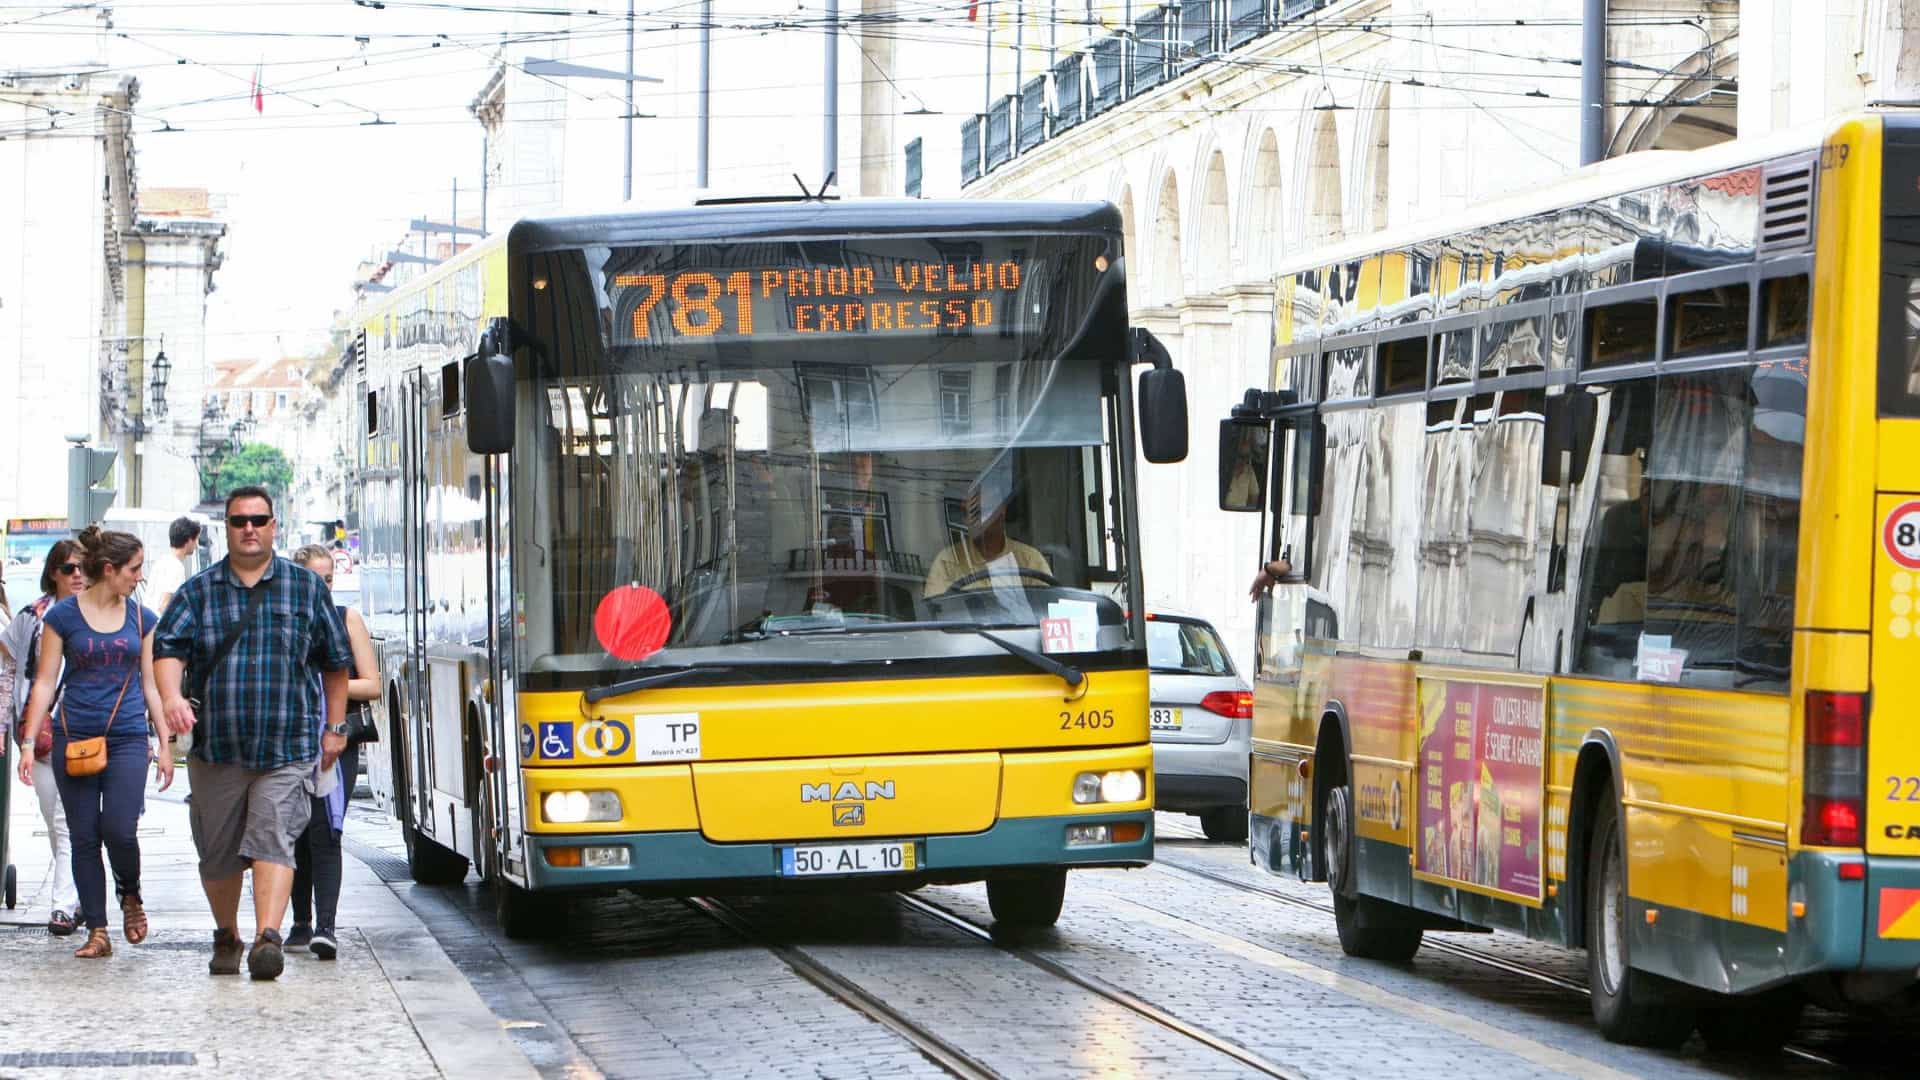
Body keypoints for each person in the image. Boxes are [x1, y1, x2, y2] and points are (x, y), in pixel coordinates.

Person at [153, 486, 353, 981]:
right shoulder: (198, 590)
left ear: (273, 526)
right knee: (217, 852)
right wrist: (173, 697)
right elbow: (167, 649)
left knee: (274, 837)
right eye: (240, 520)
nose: (249, 528)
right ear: (226, 527)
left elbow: (335, 663)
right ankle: (227, 933)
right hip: (217, 747)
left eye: (258, 520)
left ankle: (268, 937)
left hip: (286, 745)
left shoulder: (304, 589)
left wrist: (334, 727)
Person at [15, 527, 167, 960]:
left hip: (127, 738)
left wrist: (165, 742)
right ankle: (98, 931)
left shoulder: (142, 619)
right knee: (82, 836)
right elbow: (45, 682)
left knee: (119, 828)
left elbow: (151, 686)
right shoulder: (62, 617)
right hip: (74, 734)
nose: (138, 578)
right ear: (109, 569)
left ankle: (130, 894)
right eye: (134, 569)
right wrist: (29, 740)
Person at [286, 544, 380, 961]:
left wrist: (330, 683)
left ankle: (325, 926)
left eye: (328, 579)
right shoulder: (285, 619)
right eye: (315, 578)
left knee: (326, 831)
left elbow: (372, 684)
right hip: (290, 737)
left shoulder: (347, 618)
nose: (323, 587)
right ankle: (300, 921)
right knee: (293, 835)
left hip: (335, 735)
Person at [0, 540, 90, 936]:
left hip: (84, 727)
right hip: (39, 733)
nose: (77, 576)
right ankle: (79, 894)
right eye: (69, 568)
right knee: (55, 820)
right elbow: (8, 675)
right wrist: (8, 725)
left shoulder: (99, 614)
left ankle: (63, 904)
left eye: (83, 568)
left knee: (66, 820)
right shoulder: (29, 618)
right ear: (53, 572)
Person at [923, 463, 1051, 597]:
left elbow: (1047, 611)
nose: (973, 521)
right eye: (969, 513)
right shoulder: (946, 563)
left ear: (1002, 510)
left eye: (981, 511)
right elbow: (938, 613)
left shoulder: (1029, 560)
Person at [146, 516, 202, 612]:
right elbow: (164, 605)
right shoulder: (176, 567)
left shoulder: (162, 561)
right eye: (196, 540)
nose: (197, 545)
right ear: (188, 540)